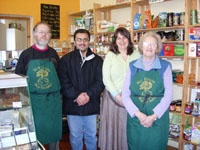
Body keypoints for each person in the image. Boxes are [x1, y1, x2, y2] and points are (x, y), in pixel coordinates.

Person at [122, 31, 173, 150]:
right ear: (141, 46)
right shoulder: (132, 66)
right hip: (136, 118)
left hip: (157, 119)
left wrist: (152, 117)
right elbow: (125, 95)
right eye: (146, 43)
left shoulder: (165, 66)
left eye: (153, 44)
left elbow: (168, 96)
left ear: (157, 48)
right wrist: (139, 115)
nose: (149, 47)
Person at [15, 22, 62, 150]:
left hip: (52, 103)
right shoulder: (26, 55)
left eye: (47, 32)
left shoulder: (53, 54)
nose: (44, 35)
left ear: (50, 35)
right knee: (34, 137)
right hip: (33, 103)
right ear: (35, 33)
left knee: (53, 136)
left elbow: (59, 77)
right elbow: (18, 80)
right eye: (41, 32)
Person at [58, 29, 104, 150]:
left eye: (85, 39)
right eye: (79, 39)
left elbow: (100, 82)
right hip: (73, 104)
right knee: (75, 136)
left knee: (91, 136)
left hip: (91, 104)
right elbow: (63, 82)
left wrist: (87, 95)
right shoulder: (65, 60)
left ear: (89, 41)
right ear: (74, 41)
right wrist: (77, 95)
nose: (82, 42)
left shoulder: (98, 60)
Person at [98, 27, 140, 150]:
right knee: (113, 126)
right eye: (118, 38)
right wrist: (117, 95)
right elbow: (106, 78)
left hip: (131, 97)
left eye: (124, 37)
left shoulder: (136, 54)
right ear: (114, 41)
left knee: (127, 126)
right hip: (112, 97)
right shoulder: (111, 55)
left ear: (129, 39)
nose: (122, 41)